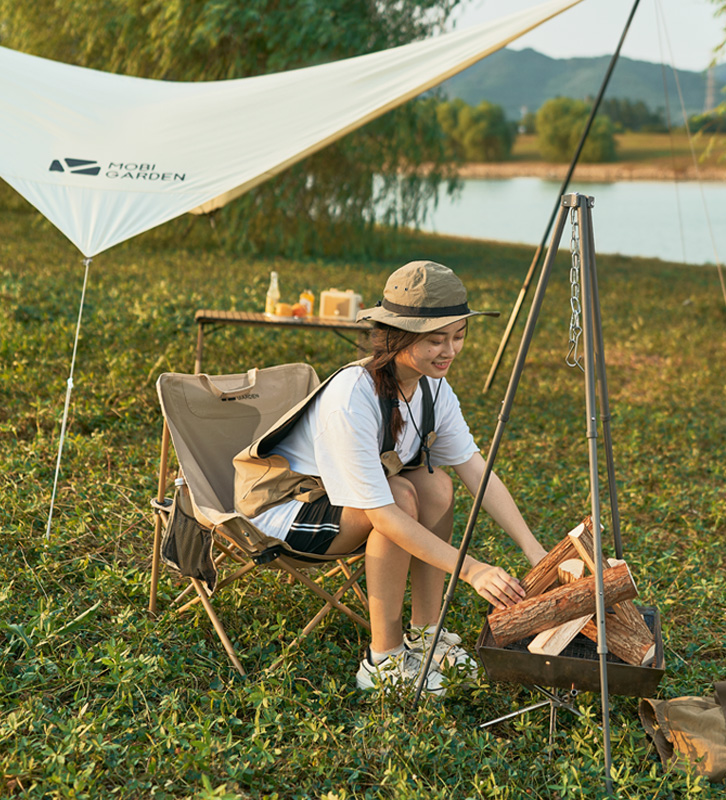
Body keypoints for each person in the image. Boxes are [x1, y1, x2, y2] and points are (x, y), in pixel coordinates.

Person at [233, 260, 547, 694]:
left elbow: (477, 470)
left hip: (349, 501)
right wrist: (472, 570)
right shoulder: (353, 395)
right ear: (398, 336)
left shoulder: (433, 388)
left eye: (458, 337)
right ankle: (383, 659)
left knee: (436, 484)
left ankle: (425, 634)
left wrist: (537, 553)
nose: (451, 351)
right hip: (285, 511)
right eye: (436, 340)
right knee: (399, 497)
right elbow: (381, 513)